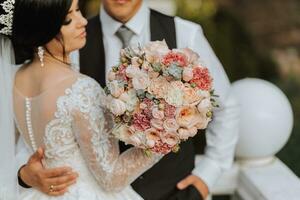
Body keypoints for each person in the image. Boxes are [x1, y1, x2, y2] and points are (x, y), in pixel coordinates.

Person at [17, 0, 239, 199]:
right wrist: (24, 173)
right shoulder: (71, 43)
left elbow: (225, 106)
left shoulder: (185, 33)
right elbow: (43, 126)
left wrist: (207, 175)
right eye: (69, 16)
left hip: (177, 191)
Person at [0, 0, 162, 199]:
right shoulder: (82, 89)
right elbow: (111, 179)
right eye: (68, 19)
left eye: (78, 11)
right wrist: (162, 138)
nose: (83, 21)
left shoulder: (12, 78)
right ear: (43, 27)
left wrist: (24, 174)